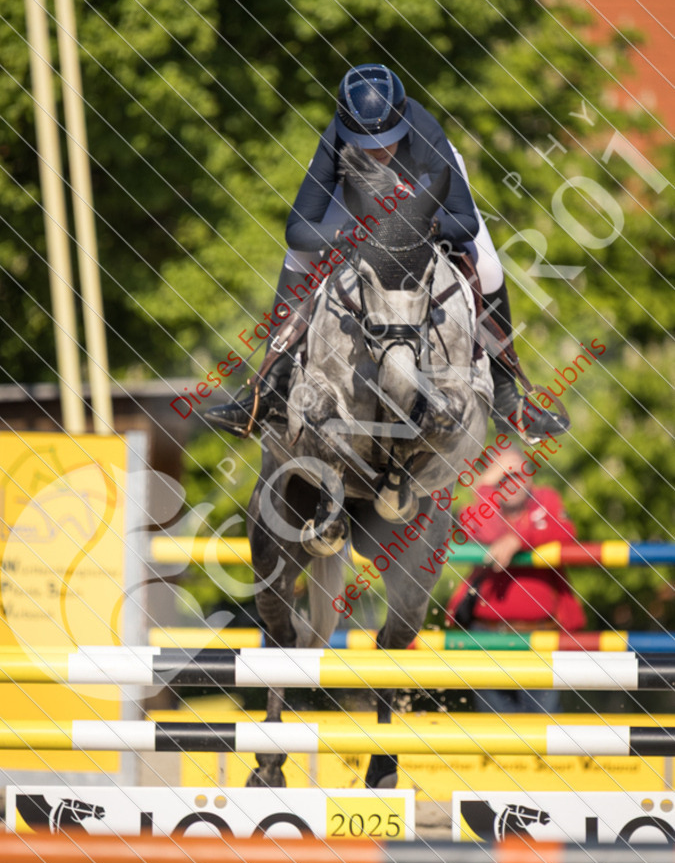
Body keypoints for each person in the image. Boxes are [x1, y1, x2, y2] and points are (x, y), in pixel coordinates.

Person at [209, 63, 569, 441]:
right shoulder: (335, 142)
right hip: (355, 198)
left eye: (387, 140)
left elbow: (466, 221)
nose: (378, 150)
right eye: (365, 142)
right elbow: (297, 230)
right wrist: (347, 232)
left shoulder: (425, 131)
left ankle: (510, 403)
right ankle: (269, 391)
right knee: (297, 258)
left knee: (490, 268)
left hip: (422, 192)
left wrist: (426, 226)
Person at [446, 450, 585, 713]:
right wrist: (486, 486)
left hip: (540, 637)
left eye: (519, 474)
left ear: (531, 477)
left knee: (544, 731)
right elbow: (471, 526)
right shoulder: (484, 508)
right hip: (487, 637)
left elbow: (565, 530)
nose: (512, 482)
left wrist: (518, 539)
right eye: (504, 476)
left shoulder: (546, 501)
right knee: (496, 734)